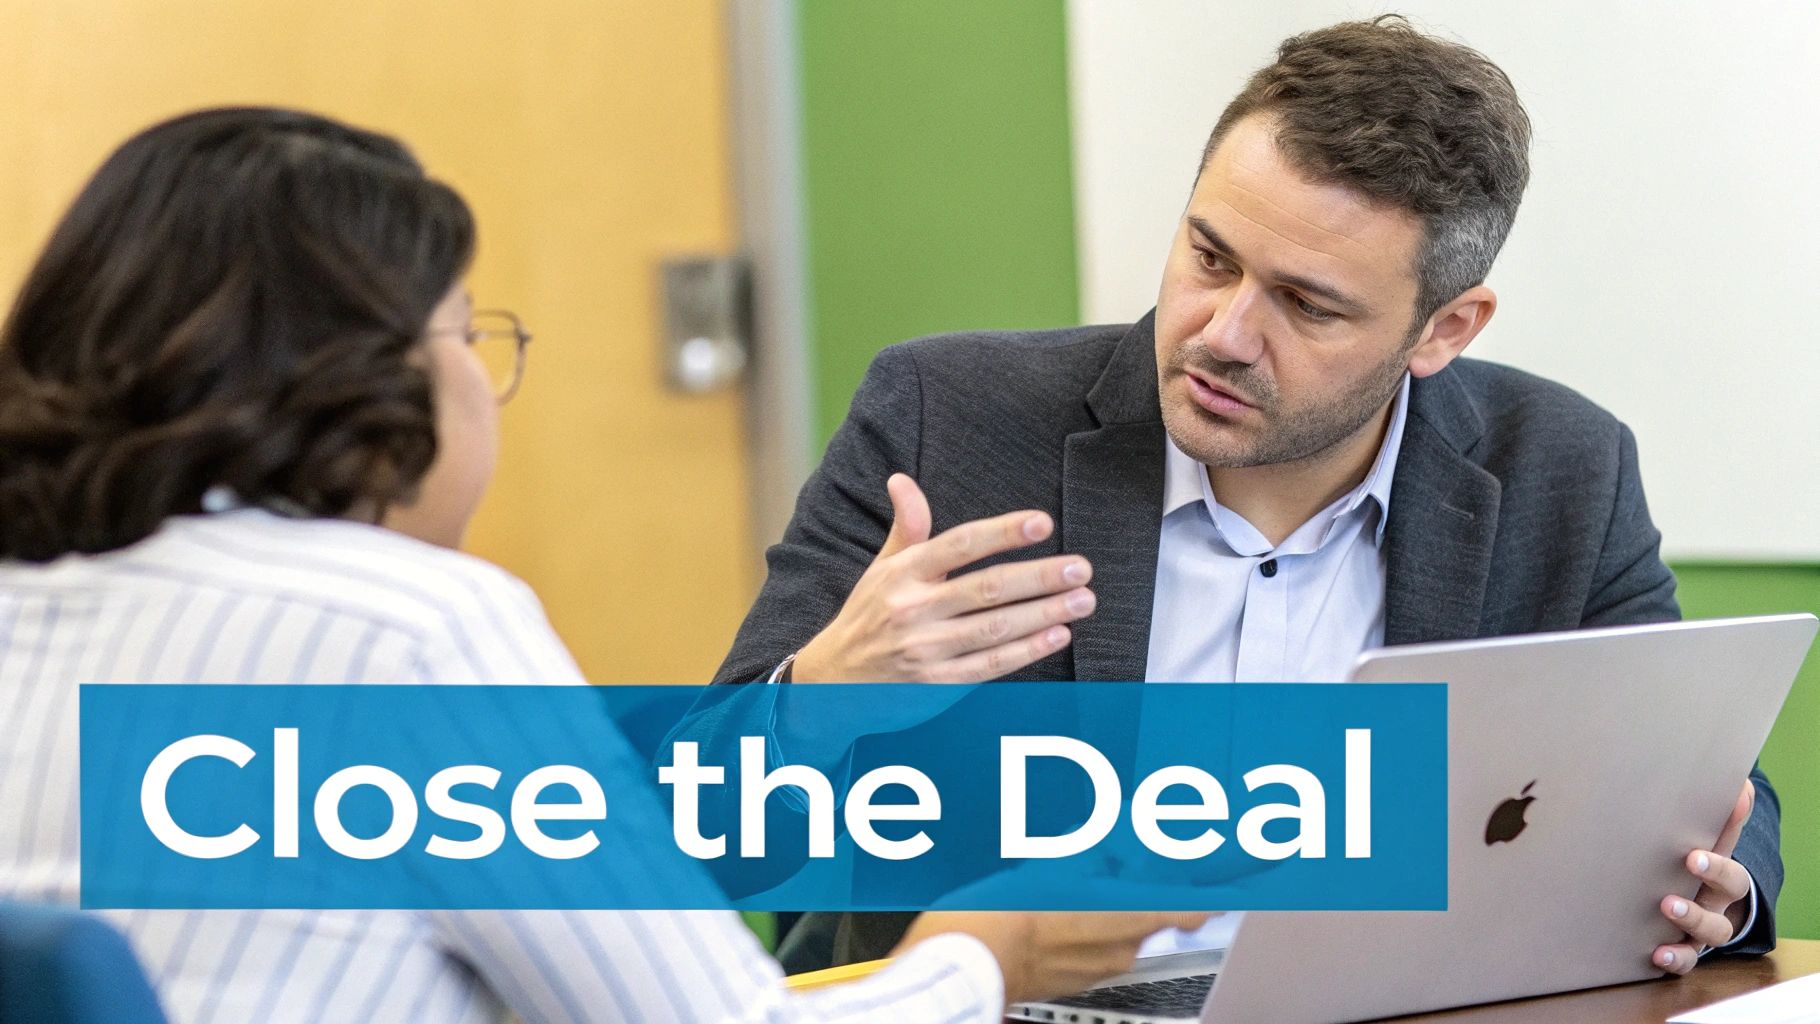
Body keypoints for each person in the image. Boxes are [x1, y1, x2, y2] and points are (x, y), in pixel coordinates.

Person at [0, 106, 1204, 1023]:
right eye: (465, 332)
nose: (485, 379)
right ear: (357, 381)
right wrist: (983, 959)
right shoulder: (409, 631)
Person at [714, 16, 1777, 974]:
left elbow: (1700, 782)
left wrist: (1719, 895)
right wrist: (818, 698)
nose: (1221, 333)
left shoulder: (1559, 468)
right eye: (1209, 257)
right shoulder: (946, 421)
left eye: (1305, 305)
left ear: (1443, 330)